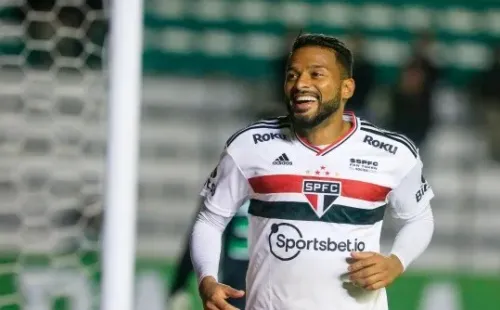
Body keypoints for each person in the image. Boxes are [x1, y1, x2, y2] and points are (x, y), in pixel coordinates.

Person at [190, 33, 435, 310]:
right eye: (292, 75)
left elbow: (419, 218)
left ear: (347, 88)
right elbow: (210, 220)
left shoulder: (392, 153)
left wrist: (396, 261)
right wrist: (206, 279)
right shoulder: (249, 146)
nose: (300, 84)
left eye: (316, 74)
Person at [169, 201, 250, 309]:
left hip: (231, 283)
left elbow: (201, 238)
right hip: (260, 283)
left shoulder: (225, 189)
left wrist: (179, 284)